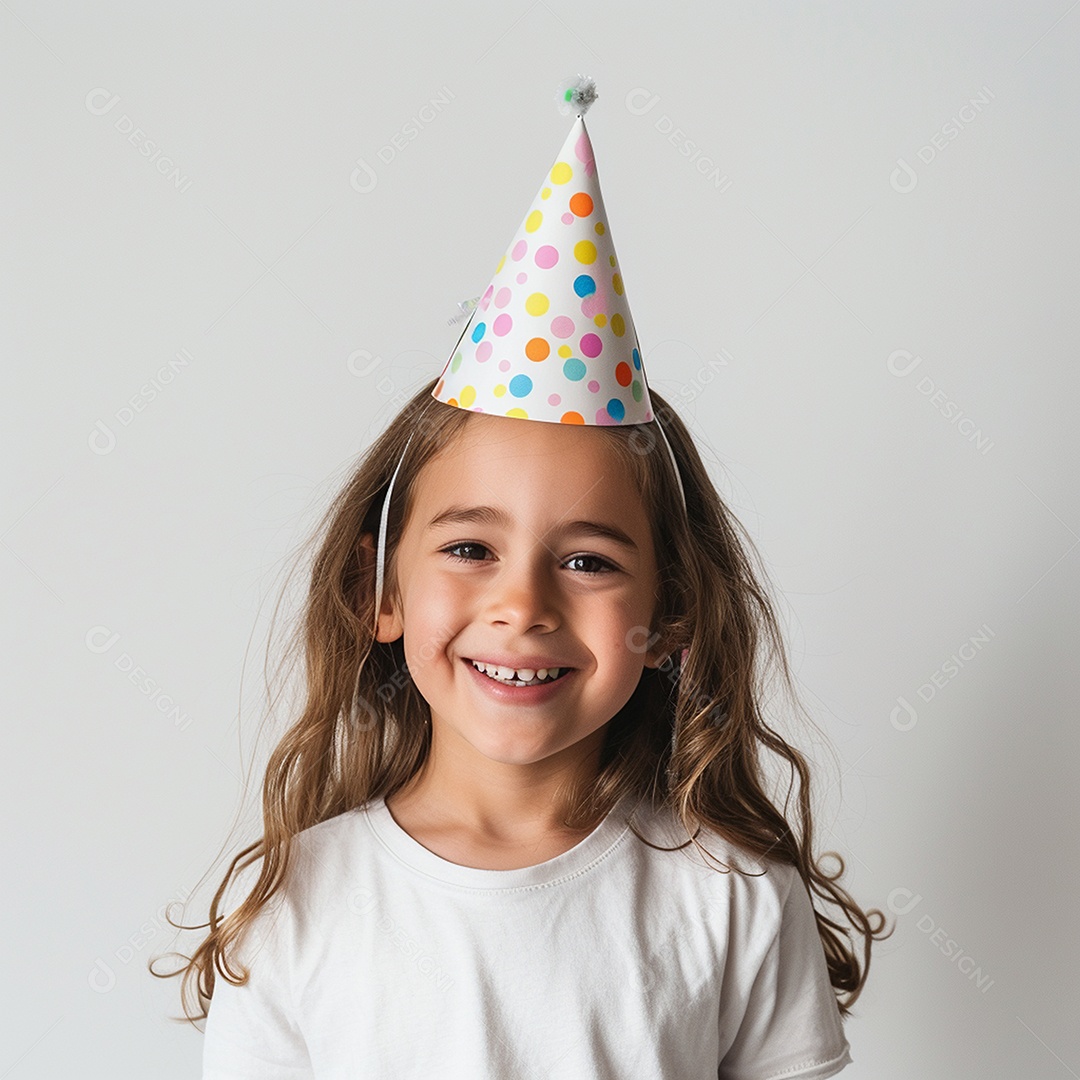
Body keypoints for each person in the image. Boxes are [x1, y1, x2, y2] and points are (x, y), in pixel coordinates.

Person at [154, 78, 889, 1079]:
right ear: (380, 590)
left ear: (670, 613)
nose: (523, 605)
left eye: (588, 560)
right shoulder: (298, 907)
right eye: (470, 548)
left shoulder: (731, 894)